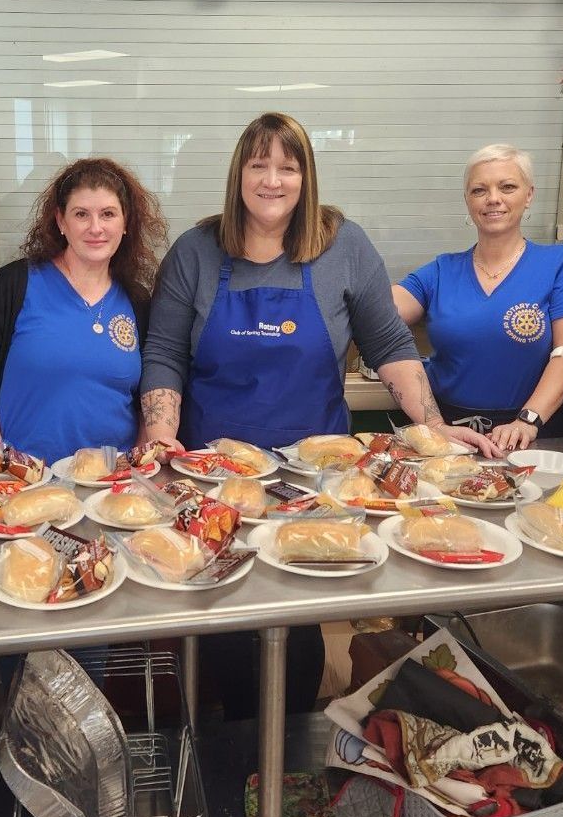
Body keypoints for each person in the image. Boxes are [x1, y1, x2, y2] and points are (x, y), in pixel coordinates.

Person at [140, 112, 495, 719]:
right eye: (259, 165)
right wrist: (161, 437)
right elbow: (166, 352)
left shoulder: (342, 245)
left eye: (288, 166)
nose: (272, 180)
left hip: (312, 480)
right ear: (239, 174)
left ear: (306, 176)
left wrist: (432, 428)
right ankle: (229, 746)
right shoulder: (196, 251)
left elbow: (389, 346)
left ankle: (287, 741)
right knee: (219, 611)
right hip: (213, 476)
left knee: (295, 614)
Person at [0, 157, 166, 461]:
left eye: (108, 214)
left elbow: (148, 402)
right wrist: (1, 463)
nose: (96, 227)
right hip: (25, 485)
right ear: (61, 221)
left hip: (110, 488)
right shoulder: (16, 284)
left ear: (126, 222)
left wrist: (136, 471)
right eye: (81, 214)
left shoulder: (137, 301)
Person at [392, 144, 563, 452]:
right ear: (468, 201)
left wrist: (527, 421)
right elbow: (380, 312)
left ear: (529, 196)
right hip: (449, 435)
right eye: (479, 190)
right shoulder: (442, 270)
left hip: (527, 435)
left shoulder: (558, 263)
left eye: (507, 187)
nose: (493, 199)